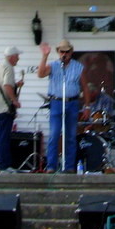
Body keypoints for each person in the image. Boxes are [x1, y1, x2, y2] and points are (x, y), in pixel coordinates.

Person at [37, 39, 89, 172]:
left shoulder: (78, 67)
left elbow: (85, 87)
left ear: (71, 52)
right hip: (56, 102)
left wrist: (87, 106)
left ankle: (70, 166)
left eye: (67, 51)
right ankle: (51, 166)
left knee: (71, 136)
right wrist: (45, 56)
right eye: (62, 51)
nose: (64, 54)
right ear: (58, 52)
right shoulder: (53, 65)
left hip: (72, 102)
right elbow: (40, 74)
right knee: (54, 134)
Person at [0, 46, 24, 171]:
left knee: (1, 135)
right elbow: (7, 85)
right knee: (4, 136)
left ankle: (2, 164)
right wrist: (14, 100)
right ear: (11, 56)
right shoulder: (9, 67)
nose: (18, 58)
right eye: (17, 56)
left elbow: (1, 84)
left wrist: (16, 84)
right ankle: (4, 165)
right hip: (4, 107)